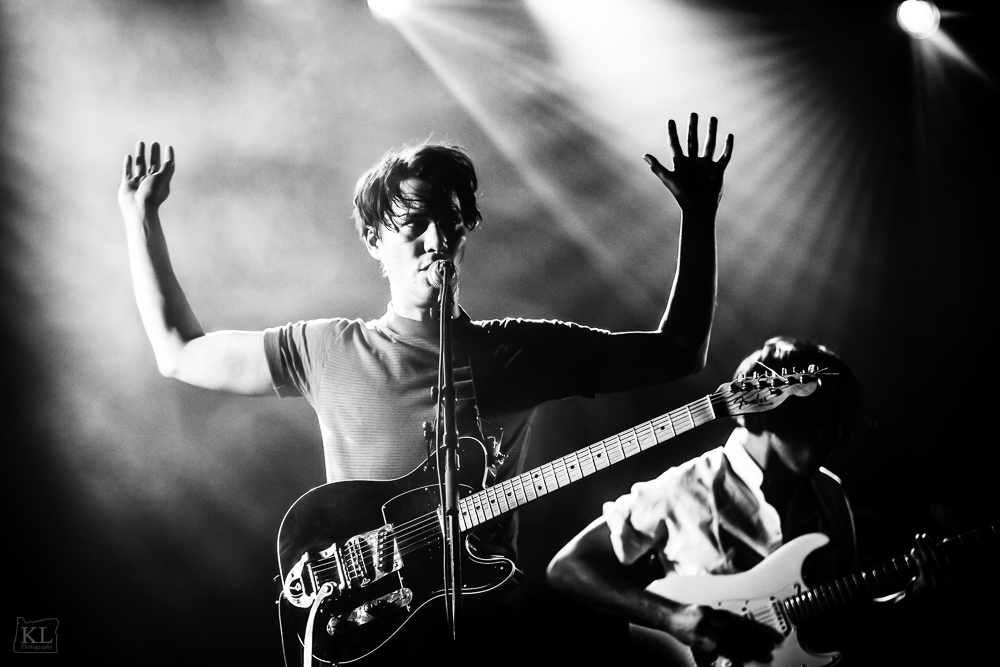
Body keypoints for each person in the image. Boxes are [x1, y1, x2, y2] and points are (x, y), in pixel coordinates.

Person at [117, 113, 733, 663]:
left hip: (488, 627)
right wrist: (139, 219)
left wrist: (698, 216)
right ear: (374, 240)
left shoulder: (517, 350)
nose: (437, 240)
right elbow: (179, 353)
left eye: (452, 222)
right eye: (414, 223)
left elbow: (679, 352)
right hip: (367, 629)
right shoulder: (326, 348)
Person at [546, 336, 948, 666]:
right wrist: (674, 618)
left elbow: (846, 619)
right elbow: (566, 567)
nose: (840, 438)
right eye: (830, 423)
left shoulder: (829, 491)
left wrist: (912, 597)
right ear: (777, 415)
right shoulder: (682, 488)